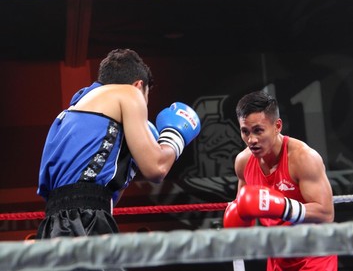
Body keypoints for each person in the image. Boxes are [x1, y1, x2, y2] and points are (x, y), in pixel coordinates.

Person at [36, 48, 201, 239]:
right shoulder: (129, 93)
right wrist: (175, 136)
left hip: (52, 224)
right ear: (139, 85)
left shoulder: (74, 111)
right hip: (85, 221)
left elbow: (106, 196)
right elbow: (156, 168)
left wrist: (129, 161)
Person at [223, 90, 337, 270]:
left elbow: (326, 213)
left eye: (258, 131)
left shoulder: (303, 158)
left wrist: (282, 207)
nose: (251, 139)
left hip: (315, 255)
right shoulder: (243, 163)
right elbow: (243, 210)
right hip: (278, 257)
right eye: (245, 132)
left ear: (277, 126)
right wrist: (238, 222)